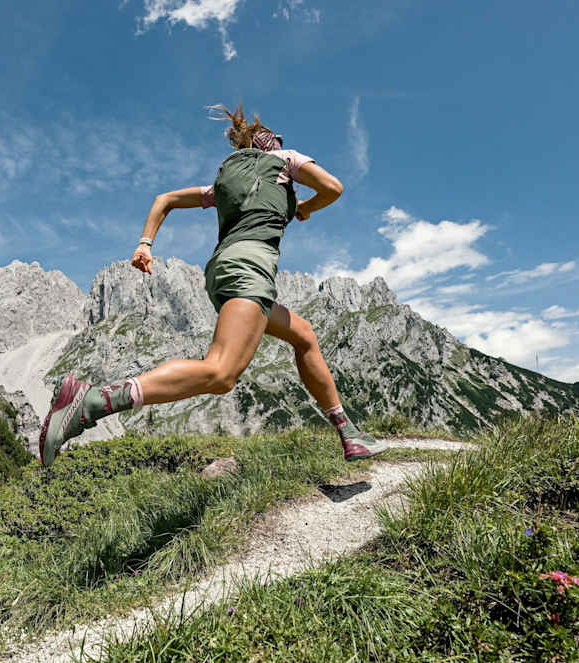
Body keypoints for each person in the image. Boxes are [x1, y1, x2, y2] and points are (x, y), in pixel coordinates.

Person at [38, 103, 388, 466]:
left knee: (304, 336)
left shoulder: (223, 183)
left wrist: (145, 243)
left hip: (223, 271)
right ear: (271, 143)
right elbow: (333, 187)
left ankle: (348, 432)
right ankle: (94, 400)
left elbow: (166, 199)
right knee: (221, 373)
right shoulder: (285, 159)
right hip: (250, 268)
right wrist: (305, 207)